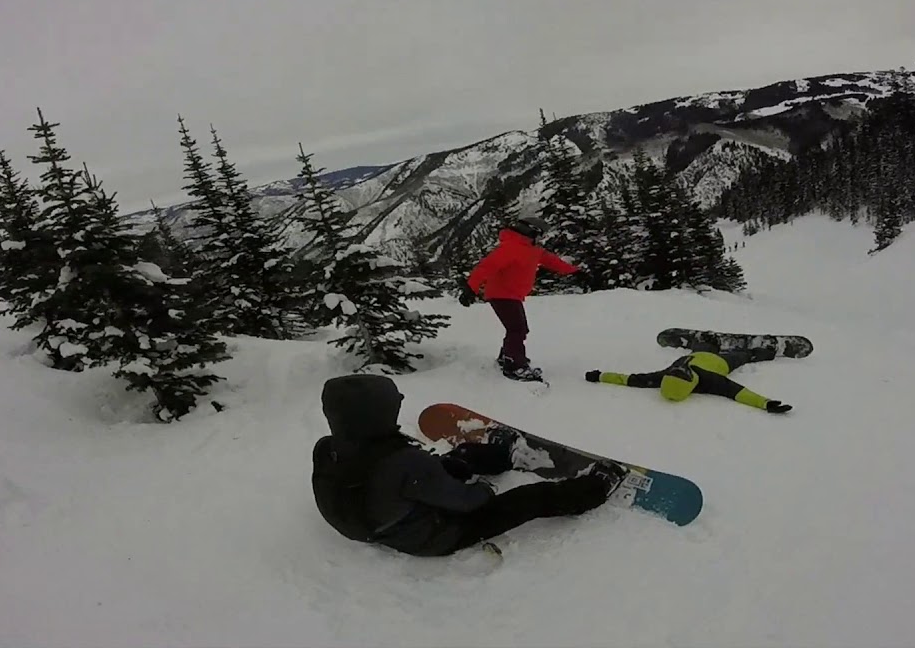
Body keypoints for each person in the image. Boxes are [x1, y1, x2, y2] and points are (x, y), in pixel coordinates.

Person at [311, 374, 621, 557]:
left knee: (453, 463)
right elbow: (466, 502)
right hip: (434, 537)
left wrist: (441, 471)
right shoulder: (406, 462)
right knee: (530, 499)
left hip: (377, 516)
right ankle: (597, 487)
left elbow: (402, 476)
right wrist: (485, 490)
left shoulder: (326, 448)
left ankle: (501, 455)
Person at [459, 215, 579, 381]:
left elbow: (552, 261)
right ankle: (513, 365)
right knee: (517, 329)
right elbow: (485, 267)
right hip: (501, 294)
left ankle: (508, 356)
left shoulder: (532, 249)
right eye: (541, 234)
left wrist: (574, 271)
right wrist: (470, 288)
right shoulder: (510, 248)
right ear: (532, 232)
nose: (542, 238)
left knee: (517, 328)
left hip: (512, 295)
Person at [584, 347, 794, 413]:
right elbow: (739, 392)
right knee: (742, 356)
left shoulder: (663, 375)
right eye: (683, 372)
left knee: (705, 345)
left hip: (697, 352)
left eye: (677, 370)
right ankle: (766, 351)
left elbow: (628, 379)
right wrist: (766, 403)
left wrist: (600, 375)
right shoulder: (710, 380)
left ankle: (706, 342)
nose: (680, 368)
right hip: (720, 361)